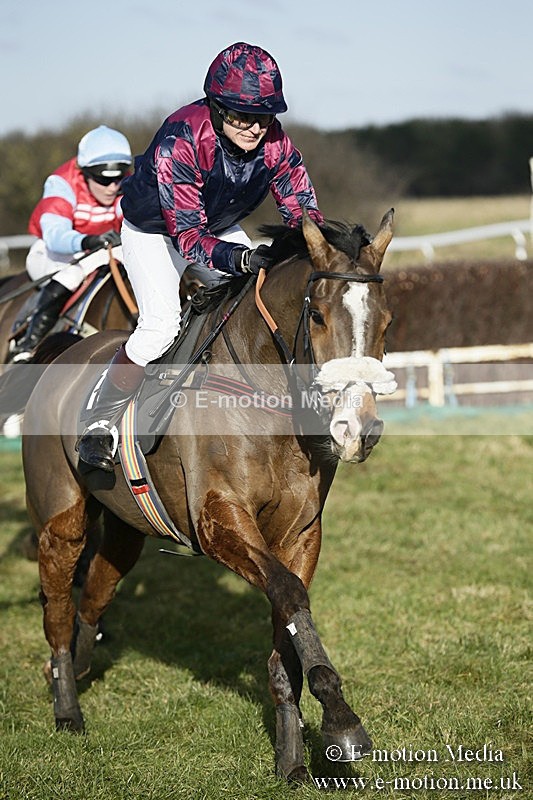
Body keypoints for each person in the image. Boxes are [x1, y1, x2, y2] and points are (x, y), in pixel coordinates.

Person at [77, 41, 324, 472]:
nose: (254, 127)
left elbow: (301, 209)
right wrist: (241, 259)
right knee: (159, 327)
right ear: (217, 106)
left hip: (213, 223)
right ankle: (99, 420)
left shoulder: (275, 142)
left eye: (264, 116)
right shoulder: (182, 137)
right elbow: (188, 239)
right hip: (154, 231)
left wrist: (324, 245)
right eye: (242, 115)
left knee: (261, 299)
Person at [9, 125, 132, 362]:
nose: (113, 188)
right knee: (71, 274)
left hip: (100, 252)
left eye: (118, 179)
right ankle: (26, 345)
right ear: (83, 172)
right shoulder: (61, 183)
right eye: (102, 180)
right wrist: (89, 240)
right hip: (55, 254)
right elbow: (55, 236)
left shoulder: (125, 185)